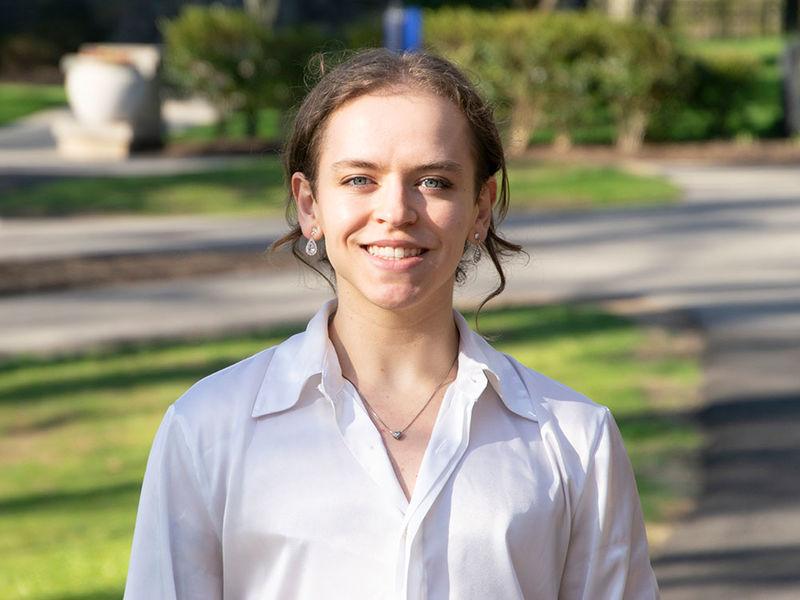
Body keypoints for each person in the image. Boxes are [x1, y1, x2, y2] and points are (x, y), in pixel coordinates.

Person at [124, 48, 658, 599]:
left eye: (433, 182)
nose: (396, 211)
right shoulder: (207, 429)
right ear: (310, 205)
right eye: (359, 179)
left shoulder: (574, 439)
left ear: (481, 207)